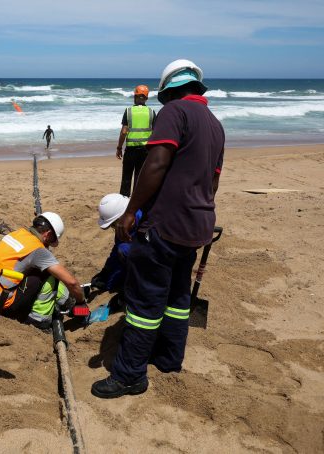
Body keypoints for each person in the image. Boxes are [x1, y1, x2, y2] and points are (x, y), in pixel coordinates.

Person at [91, 59, 225, 399]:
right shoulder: (215, 124)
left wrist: (131, 211)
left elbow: (157, 163)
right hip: (197, 224)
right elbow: (212, 182)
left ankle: (129, 375)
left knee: (144, 302)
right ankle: (168, 357)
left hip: (164, 225)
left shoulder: (174, 113)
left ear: (172, 91)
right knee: (178, 296)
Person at [0, 212, 86, 330]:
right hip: (1, 306)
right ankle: (39, 321)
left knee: (37, 269)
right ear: (48, 234)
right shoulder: (38, 250)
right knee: (49, 274)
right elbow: (72, 282)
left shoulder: (17, 233)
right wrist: (81, 303)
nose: (49, 245)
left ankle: (66, 301)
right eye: (51, 241)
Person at [116, 85, 156, 197]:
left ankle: (123, 202)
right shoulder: (151, 112)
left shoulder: (128, 111)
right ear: (146, 98)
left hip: (130, 151)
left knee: (126, 178)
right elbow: (156, 132)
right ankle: (136, 204)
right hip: (145, 151)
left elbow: (124, 132)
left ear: (135, 96)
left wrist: (119, 148)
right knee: (140, 179)